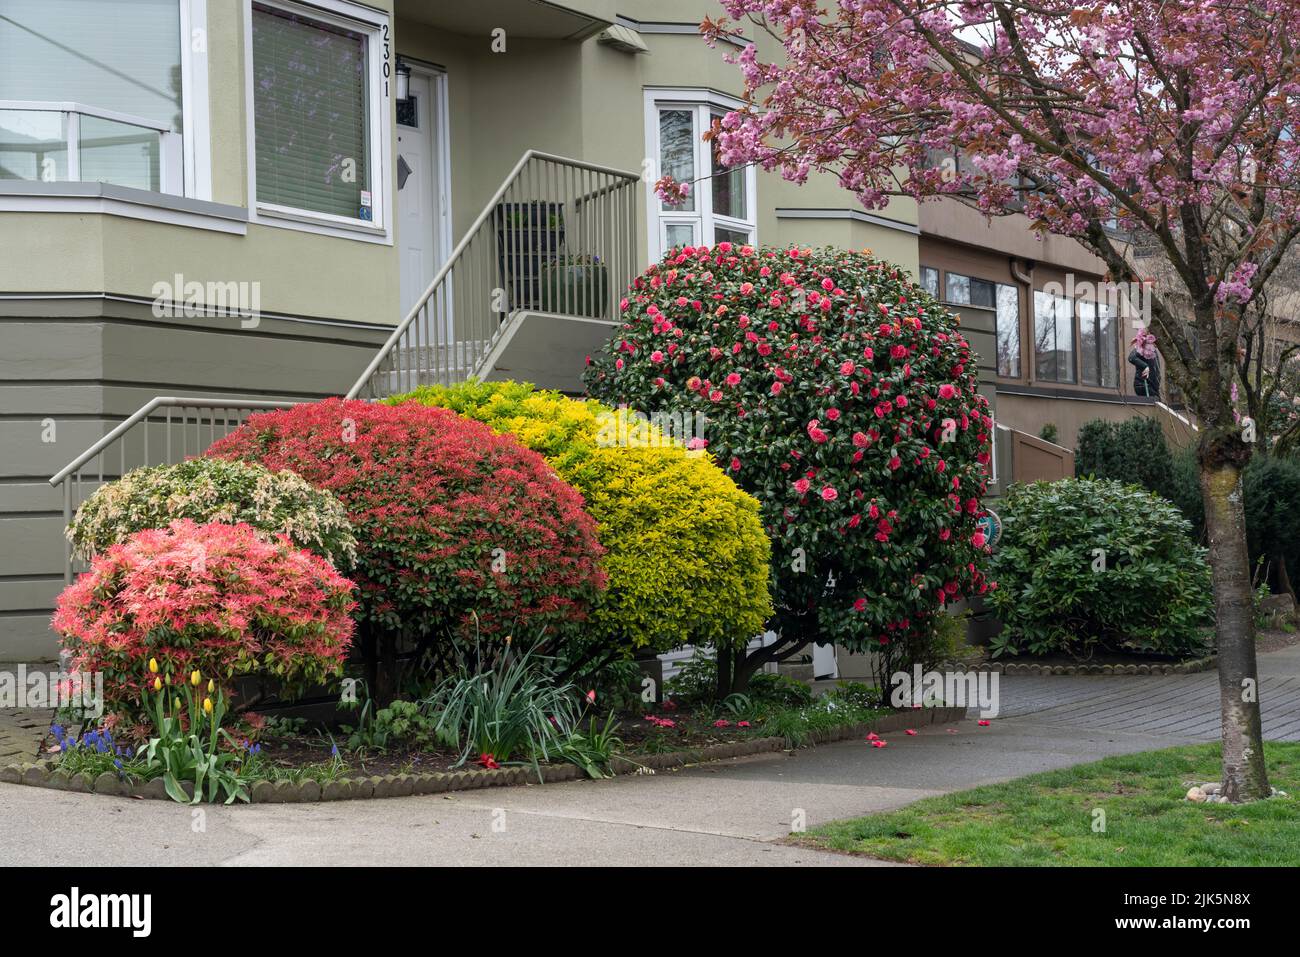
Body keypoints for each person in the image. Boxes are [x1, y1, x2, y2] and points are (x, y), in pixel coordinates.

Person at [1128, 328, 1161, 398]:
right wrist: (1145, 366)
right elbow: (1131, 357)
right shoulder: (1143, 347)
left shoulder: (1153, 350)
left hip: (1152, 387)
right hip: (1144, 384)